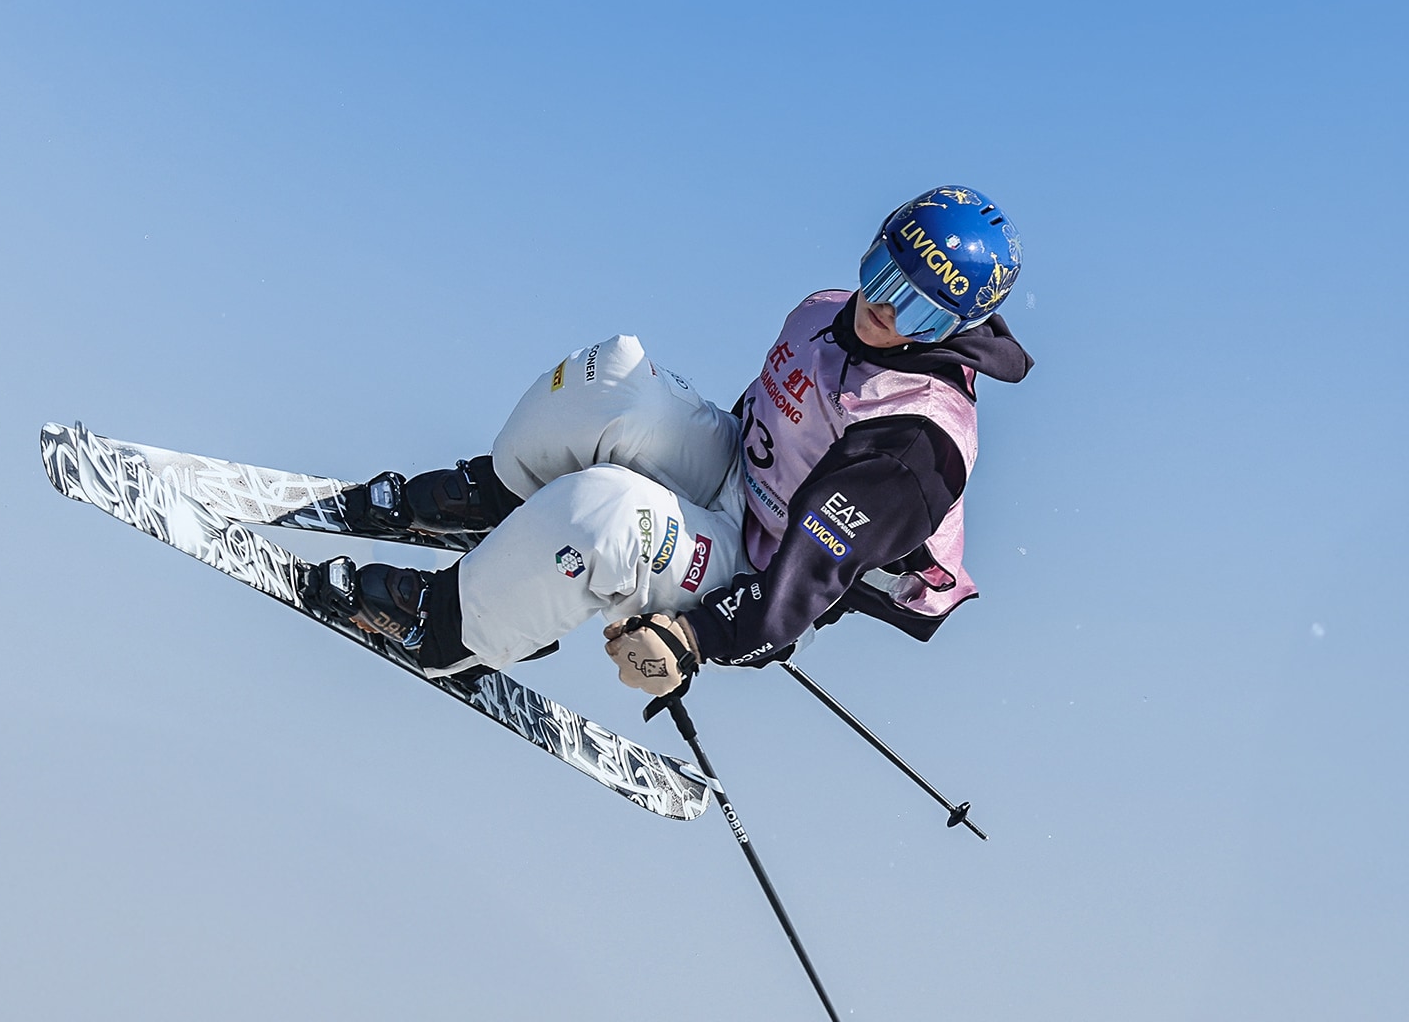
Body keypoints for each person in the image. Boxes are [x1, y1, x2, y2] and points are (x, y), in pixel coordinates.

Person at [309, 186, 1035, 700]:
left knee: (606, 511)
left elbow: (812, 579)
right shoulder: (824, 310)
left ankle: (446, 634)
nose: (879, 306)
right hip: (738, 483)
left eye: (915, 304)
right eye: (881, 271)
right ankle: (500, 507)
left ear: (957, 328)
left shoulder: (915, 442)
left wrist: (696, 639)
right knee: (615, 373)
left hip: (765, 574)